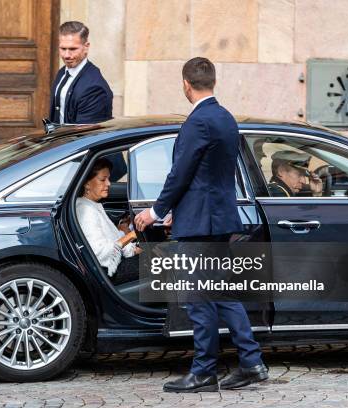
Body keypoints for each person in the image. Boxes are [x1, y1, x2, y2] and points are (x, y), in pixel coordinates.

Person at [134, 57, 268, 392]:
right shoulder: (225, 118)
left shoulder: (198, 122)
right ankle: (251, 361)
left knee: (198, 298)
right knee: (221, 293)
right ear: (213, 81)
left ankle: (204, 371)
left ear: (186, 84)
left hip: (200, 222)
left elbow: (182, 172)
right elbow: (210, 174)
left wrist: (157, 210)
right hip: (219, 216)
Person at [76, 158, 142, 285]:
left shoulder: (93, 205)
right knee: (170, 260)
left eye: (108, 179)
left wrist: (135, 249)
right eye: (102, 179)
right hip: (111, 271)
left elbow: (113, 241)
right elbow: (101, 254)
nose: (108, 184)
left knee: (162, 253)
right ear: (87, 184)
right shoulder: (86, 211)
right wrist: (132, 235)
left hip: (117, 262)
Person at [50, 21, 113, 125]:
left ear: (86, 47)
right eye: (63, 48)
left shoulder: (94, 88)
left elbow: (87, 135)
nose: (66, 55)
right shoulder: (62, 72)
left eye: (72, 49)